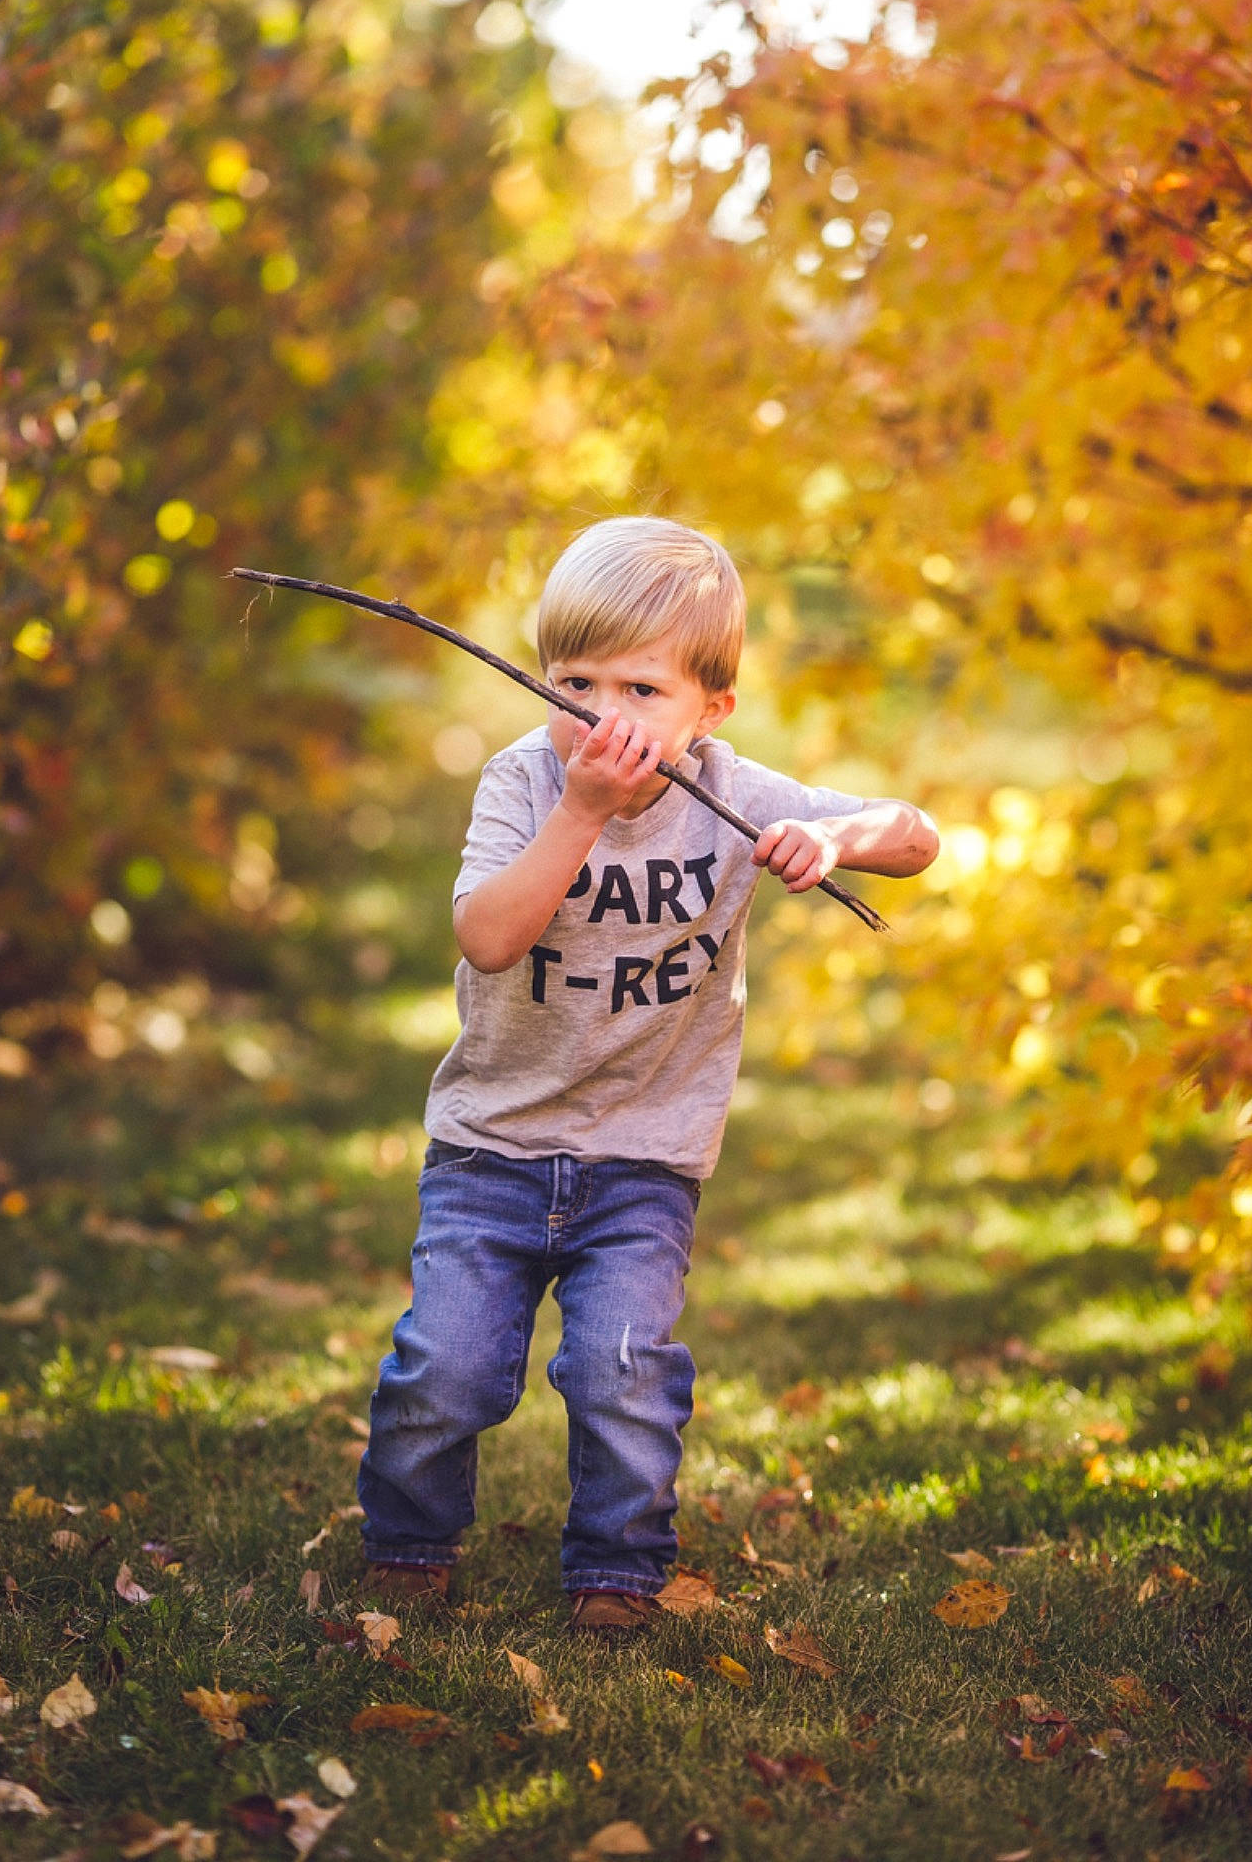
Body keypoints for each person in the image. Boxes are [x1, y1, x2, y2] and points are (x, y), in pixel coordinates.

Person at [356, 517, 939, 1632]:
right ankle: (409, 1537)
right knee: (451, 1364)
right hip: (494, 1143)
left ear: (711, 710)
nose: (600, 717)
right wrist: (582, 813)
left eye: (640, 688)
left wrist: (840, 836)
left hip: (646, 1153)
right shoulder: (528, 781)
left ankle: (615, 1569)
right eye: (573, 680)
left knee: (624, 1370)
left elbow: (918, 837)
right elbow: (487, 935)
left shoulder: (729, 789)